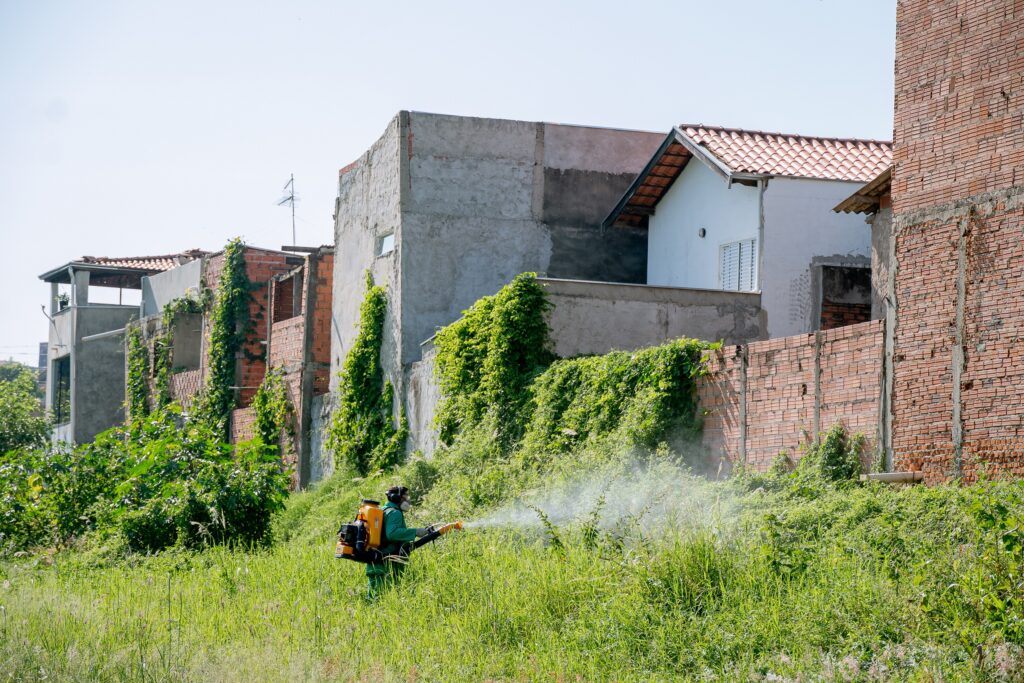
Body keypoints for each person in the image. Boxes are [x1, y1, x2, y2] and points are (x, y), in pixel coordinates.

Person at [366, 485, 430, 601]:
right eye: (405, 496)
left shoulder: (383, 511)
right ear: (397, 498)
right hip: (386, 561)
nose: (408, 499)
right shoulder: (394, 512)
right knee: (382, 598)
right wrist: (415, 531)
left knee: (373, 598)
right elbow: (392, 533)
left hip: (374, 560)